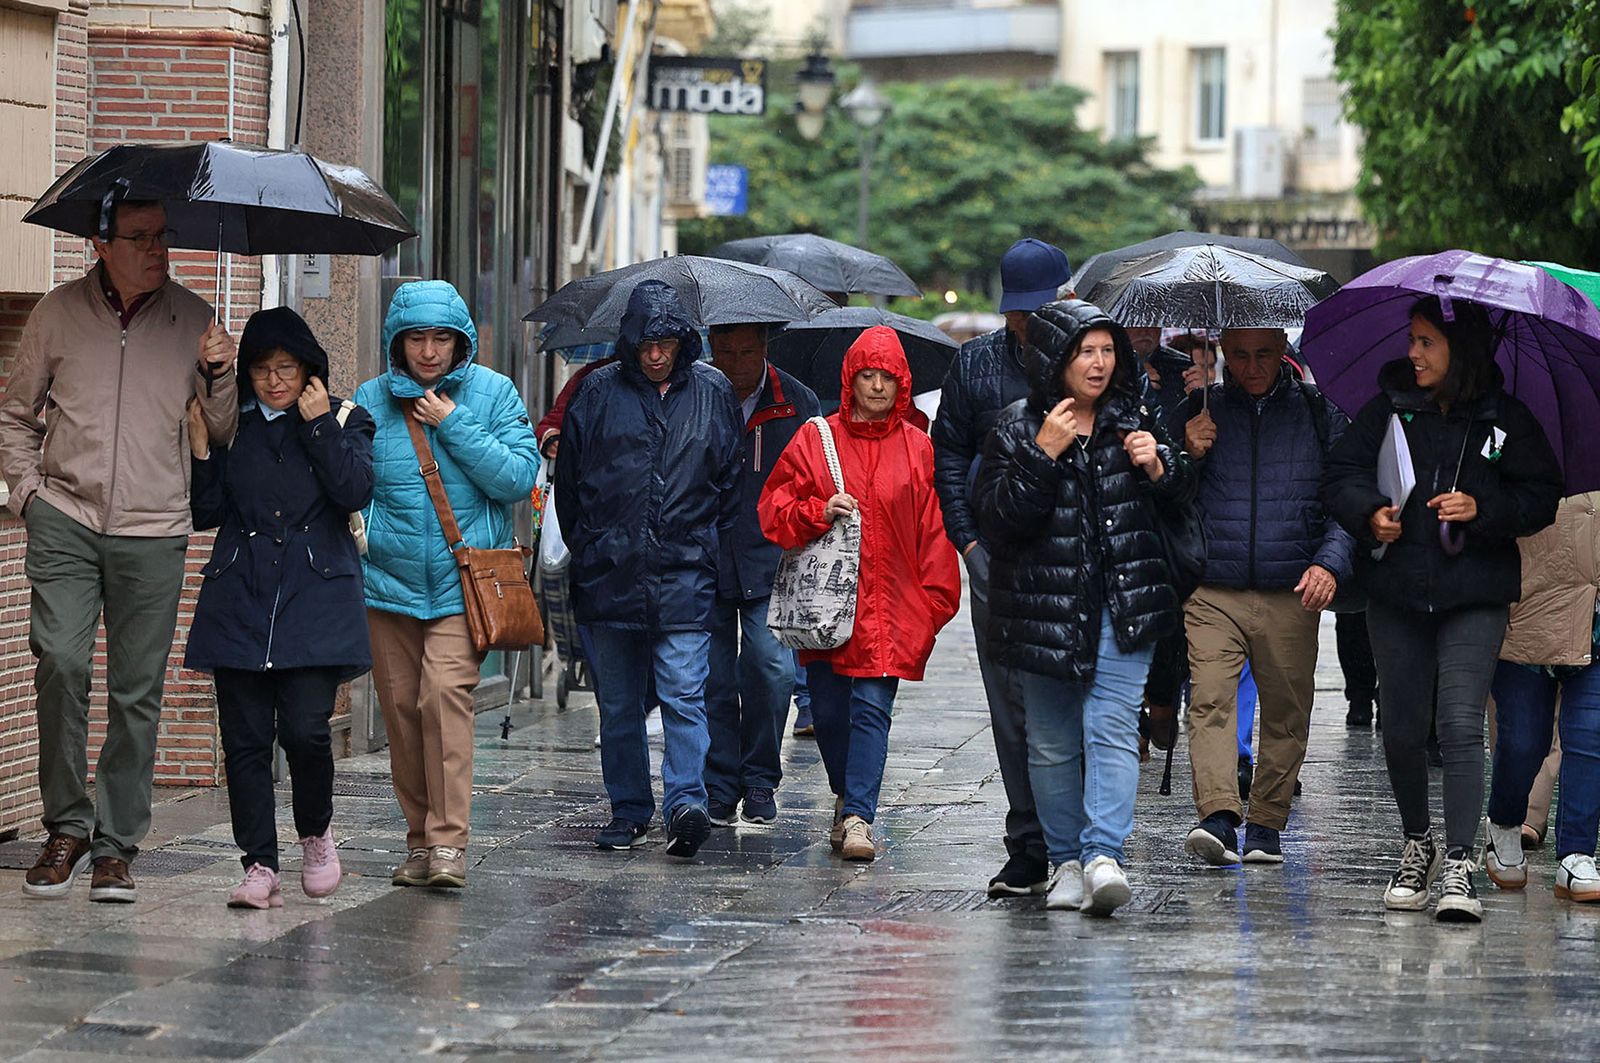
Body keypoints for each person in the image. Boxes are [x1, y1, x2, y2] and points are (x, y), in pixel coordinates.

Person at [0, 198, 239, 903]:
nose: (157, 249)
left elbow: (220, 435)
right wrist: (29, 496)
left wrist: (220, 372)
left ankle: (116, 847)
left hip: (154, 527)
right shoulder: (56, 313)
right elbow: (15, 416)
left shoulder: (194, 320)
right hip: (66, 517)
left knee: (137, 692)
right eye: (140, 238)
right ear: (100, 244)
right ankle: (67, 826)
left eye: (163, 236)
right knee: (62, 663)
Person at [1322, 295, 1562, 922]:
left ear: (1461, 350)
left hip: (1474, 594)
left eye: (1427, 341)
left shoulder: (1504, 420)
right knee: (1401, 729)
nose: (1414, 352)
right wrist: (1370, 513)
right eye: (1413, 339)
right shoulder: (1390, 409)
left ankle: (1458, 864)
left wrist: (1483, 510)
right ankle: (1416, 843)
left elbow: (1540, 496)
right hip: (1395, 592)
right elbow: (1341, 474)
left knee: (1459, 722)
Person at [975, 301, 1190, 916]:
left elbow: (1181, 497)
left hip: (1124, 601)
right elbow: (998, 520)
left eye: (1106, 350)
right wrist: (1042, 454)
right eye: (1084, 352)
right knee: (1048, 739)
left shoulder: (1135, 418)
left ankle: (1103, 855)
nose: (1098, 364)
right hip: (1043, 606)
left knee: (1113, 725)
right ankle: (1066, 861)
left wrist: (1162, 464)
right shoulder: (1017, 426)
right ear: (1054, 360)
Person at [184, 307, 374, 908]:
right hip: (239, 598)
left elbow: (354, 491)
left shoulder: (346, 416)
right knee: (242, 741)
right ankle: (258, 865)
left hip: (315, 599)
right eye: (261, 368)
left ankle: (316, 834)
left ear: (308, 369)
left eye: (286, 368)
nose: (273, 381)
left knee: (304, 730)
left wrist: (318, 428)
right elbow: (208, 512)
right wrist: (202, 453)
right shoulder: (230, 421)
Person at [355, 280, 539, 890]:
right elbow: (351, 484)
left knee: (442, 696)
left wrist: (454, 423)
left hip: (465, 584)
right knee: (403, 715)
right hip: (388, 582)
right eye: (416, 337)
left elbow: (517, 478)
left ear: (460, 340)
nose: (429, 351)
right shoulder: (371, 399)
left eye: (440, 337)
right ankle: (419, 841)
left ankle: (449, 844)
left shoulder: (493, 394)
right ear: (396, 342)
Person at [555, 281, 743, 859]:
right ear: (630, 342)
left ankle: (685, 802)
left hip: (687, 571)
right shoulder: (596, 394)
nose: (656, 354)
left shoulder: (712, 392)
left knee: (686, 694)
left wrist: (708, 547)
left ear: (683, 342)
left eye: (666, 343)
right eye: (647, 344)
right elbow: (570, 489)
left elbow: (730, 482)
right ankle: (629, 808)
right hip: (610, 573)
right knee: (618, 705)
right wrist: (591, 550)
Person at [761, 326, 961, 863]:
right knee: (827, 715)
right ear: (850, 380)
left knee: (873, 710)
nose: (877, 387)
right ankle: (848, 795)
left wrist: (930, 608)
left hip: (893, 610)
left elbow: (935, 534)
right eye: (867, 375)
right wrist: (815, 511)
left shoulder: (920, 449)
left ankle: (858, 818)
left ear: (903, 384)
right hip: (830, 611)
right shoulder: (814, 439)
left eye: (887, 377)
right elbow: (772, 511)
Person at [1179, 327, 1355, 866]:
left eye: (1263, 354)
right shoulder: (1198, 409)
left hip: (1290, 588)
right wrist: (1187, 451)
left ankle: (1267, 822)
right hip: (1213, 585)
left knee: (1287, 711)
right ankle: (1217, 814)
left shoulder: (1319, 412)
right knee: (1208, 698)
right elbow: (1165, 493)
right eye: (1239, 355)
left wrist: (1330, 562)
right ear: (1223, 355)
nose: (1251, 366)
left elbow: (1349, 498)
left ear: (1283, 352)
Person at [931, 236, 1072, 896]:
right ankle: (1028, 840)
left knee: (1077, 703)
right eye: (1020, 311)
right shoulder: (975, 366)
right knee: (1010, 703)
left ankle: (1080, 838)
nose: (1030, 323)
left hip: (1073, 558)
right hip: (997, 556)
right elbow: (949, 455)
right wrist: (968, 542)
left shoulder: (1092, 360)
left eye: (1040, 309)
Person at [704, 322, 821, 826]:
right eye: (724, 351)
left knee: (770, 670)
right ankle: (718, 782)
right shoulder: (697, 392)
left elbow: (817, 475)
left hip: (771, 557)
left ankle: (759, 778)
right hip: (704, 554)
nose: (734, 363)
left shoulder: (797, 402)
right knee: (709, 677)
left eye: (746, 352)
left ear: (765, 349)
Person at [1481, 494, 1600, 903]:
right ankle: (1505, 823)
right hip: (1532, 605)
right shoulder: (1525, 439)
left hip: (1595, 613)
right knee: (1524, 740)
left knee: (1589, 735)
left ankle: (1577, 853)